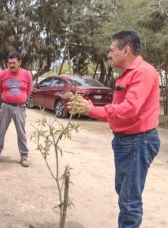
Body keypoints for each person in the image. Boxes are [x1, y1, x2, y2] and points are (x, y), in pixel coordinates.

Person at [69, 31, 160, 227]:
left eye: (112, 50)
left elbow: (130, 109)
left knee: (129, 200)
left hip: (137, 141)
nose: (108, 54)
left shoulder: (142, 73)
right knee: (125, 194)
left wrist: (92, 110)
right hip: (128, 141)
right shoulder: (127, 74)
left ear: (125, 50)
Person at [0, 51, 33, 167]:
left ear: (20, 62)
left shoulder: (27, 74)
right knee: (1, 131)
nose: (11, 65)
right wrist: (7, 99)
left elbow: (29, 90)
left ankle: (24, 156)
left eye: (14, 63)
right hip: (6, 107)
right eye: (9, 63)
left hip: (20, 108)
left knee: (21, 133)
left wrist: (20, 99)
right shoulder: (3, 74)